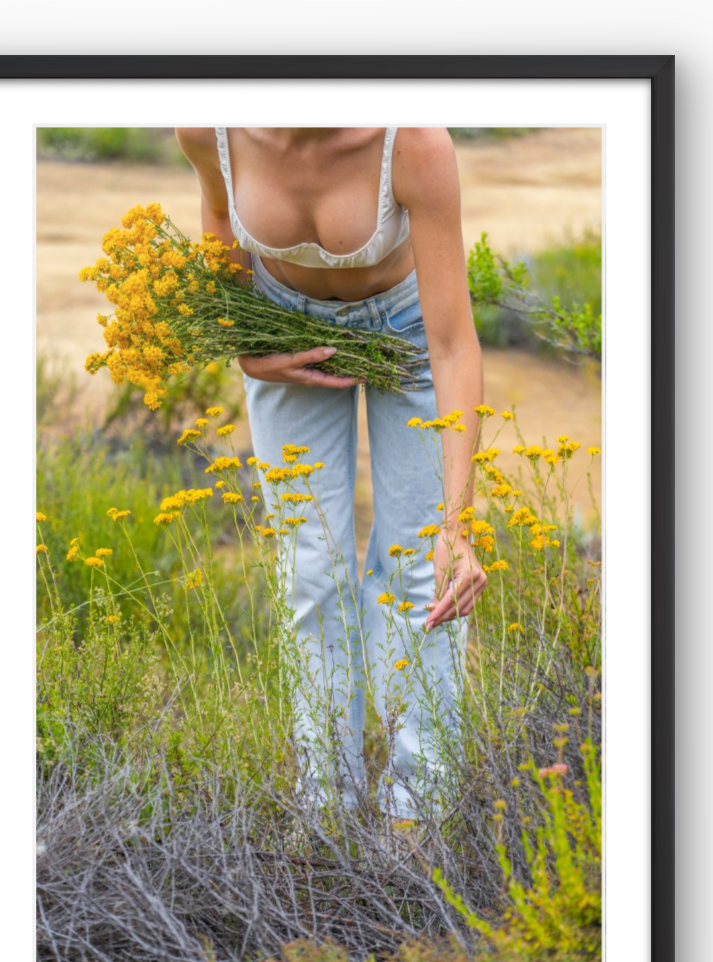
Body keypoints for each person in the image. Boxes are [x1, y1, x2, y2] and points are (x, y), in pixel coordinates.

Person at [176, 127, 486, 822]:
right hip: (285, 327)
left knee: (421, 568)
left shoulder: (413, 143)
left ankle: (418, 812)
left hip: (407, 331)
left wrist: (457, 524)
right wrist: (247, 346)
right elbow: (222, 221)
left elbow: (453, 343)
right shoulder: (210, 126)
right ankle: (325, 813)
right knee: (310, 568)